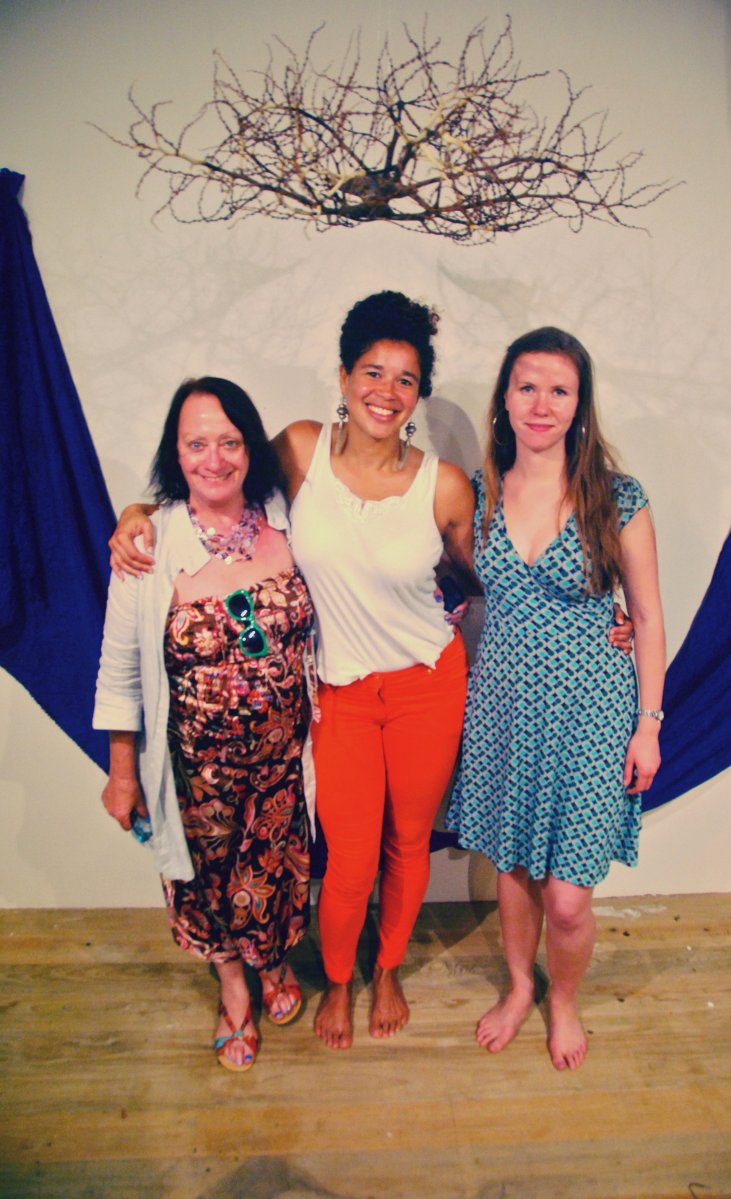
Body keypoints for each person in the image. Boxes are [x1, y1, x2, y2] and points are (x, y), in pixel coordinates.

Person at [108, 293, 477, 1050]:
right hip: (340, 691)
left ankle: (387, 969)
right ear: (343, 376)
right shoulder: (302, 451)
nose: (385, 390)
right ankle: (337, 979)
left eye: (405, 378)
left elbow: (483, 578)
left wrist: (609, 618)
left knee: (408, 842)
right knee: (348, 858)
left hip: (426, 682)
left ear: (418, 394)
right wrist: (135, 512)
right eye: (371, 371)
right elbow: (214, 481)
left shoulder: (444, 485)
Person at [446, 327, 665, 1071]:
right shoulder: (474, 494)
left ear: (580, 405)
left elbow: (649, 616)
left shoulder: (617, 498)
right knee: (513, 868)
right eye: (527, 387)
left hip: (592, 715)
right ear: (505, 399)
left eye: (559, 390)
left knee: (567, 897)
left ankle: (562, 999)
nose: (542, 404)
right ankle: (518, 987)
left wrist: (648, 725)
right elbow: (435, 581)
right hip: (504, 709)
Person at [94, 377, 313, 1072]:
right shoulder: (148, 545)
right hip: (195, 779)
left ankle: (273, 962)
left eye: (229, 441)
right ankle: (233, 990)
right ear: (175, 453)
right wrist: (122, 775)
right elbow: (120, 674)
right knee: (209, 886)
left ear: (250, 448)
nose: (214, 459)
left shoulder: (289, 519)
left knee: (273, 879)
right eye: (196, 444)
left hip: (283, 770)